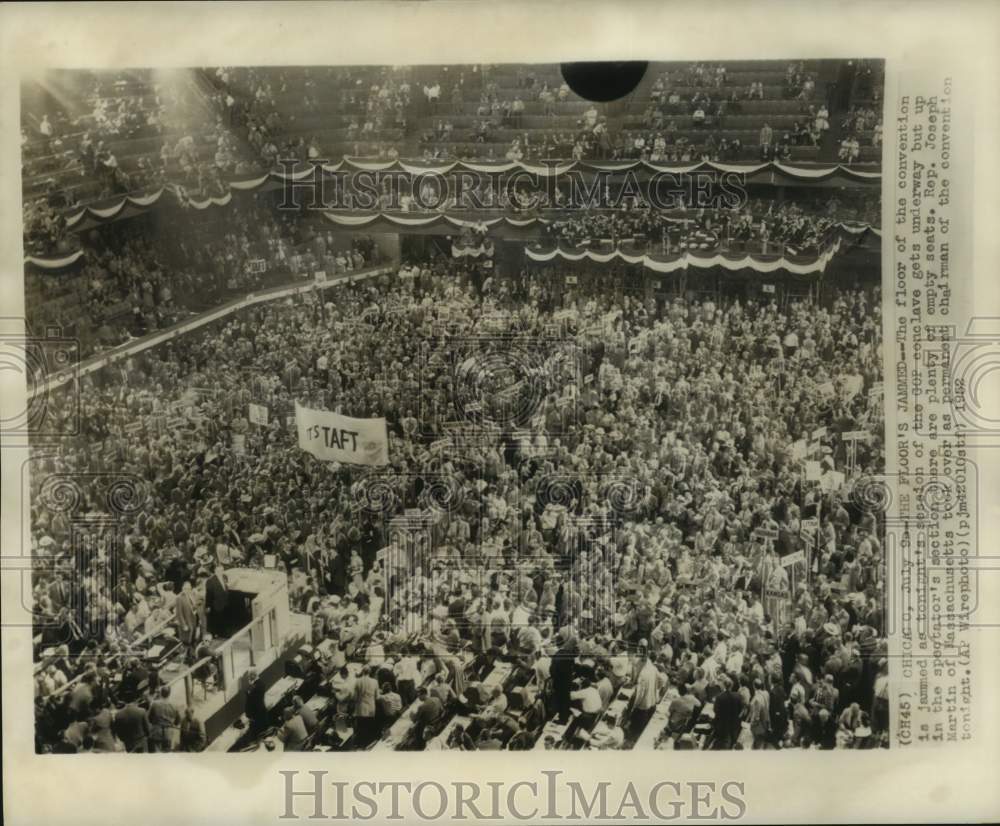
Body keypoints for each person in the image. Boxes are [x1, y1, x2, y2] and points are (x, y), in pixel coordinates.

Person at [148, 685, 182, 752]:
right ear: (169, 694)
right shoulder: (174, 705)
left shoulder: (154, 704)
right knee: (167, 752)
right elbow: (178, 721)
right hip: (168, 732)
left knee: (156, 752)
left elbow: (149, 718)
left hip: (156, 731)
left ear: (161, 693)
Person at [204, 564, 230, 637]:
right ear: (215, 571)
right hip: (216, 603)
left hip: (224, 602)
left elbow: (226, 587)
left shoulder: (225, 577)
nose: (220, 572)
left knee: (224, 618)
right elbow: (208, 594)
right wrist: (208, 606)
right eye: (218, 570)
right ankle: (217, 633)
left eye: (222, 570)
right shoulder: (210, 581)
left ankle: (223, 632)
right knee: (217, 619)